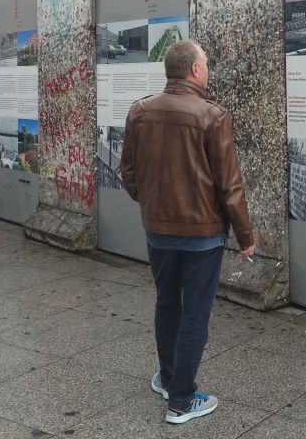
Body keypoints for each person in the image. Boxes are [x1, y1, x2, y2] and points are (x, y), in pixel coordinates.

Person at [121, 40, 255, 425]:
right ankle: (181, 400)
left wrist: (149, 203)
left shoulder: (139, 112)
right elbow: (230, 186)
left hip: (158, 230)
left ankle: (167, 378)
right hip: (203, 234)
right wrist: (246, 237)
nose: (208, 69)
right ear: (194, 70)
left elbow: (128, 171)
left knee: (167, 303)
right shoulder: (212, 116)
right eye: (206, 63)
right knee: (195, 312)